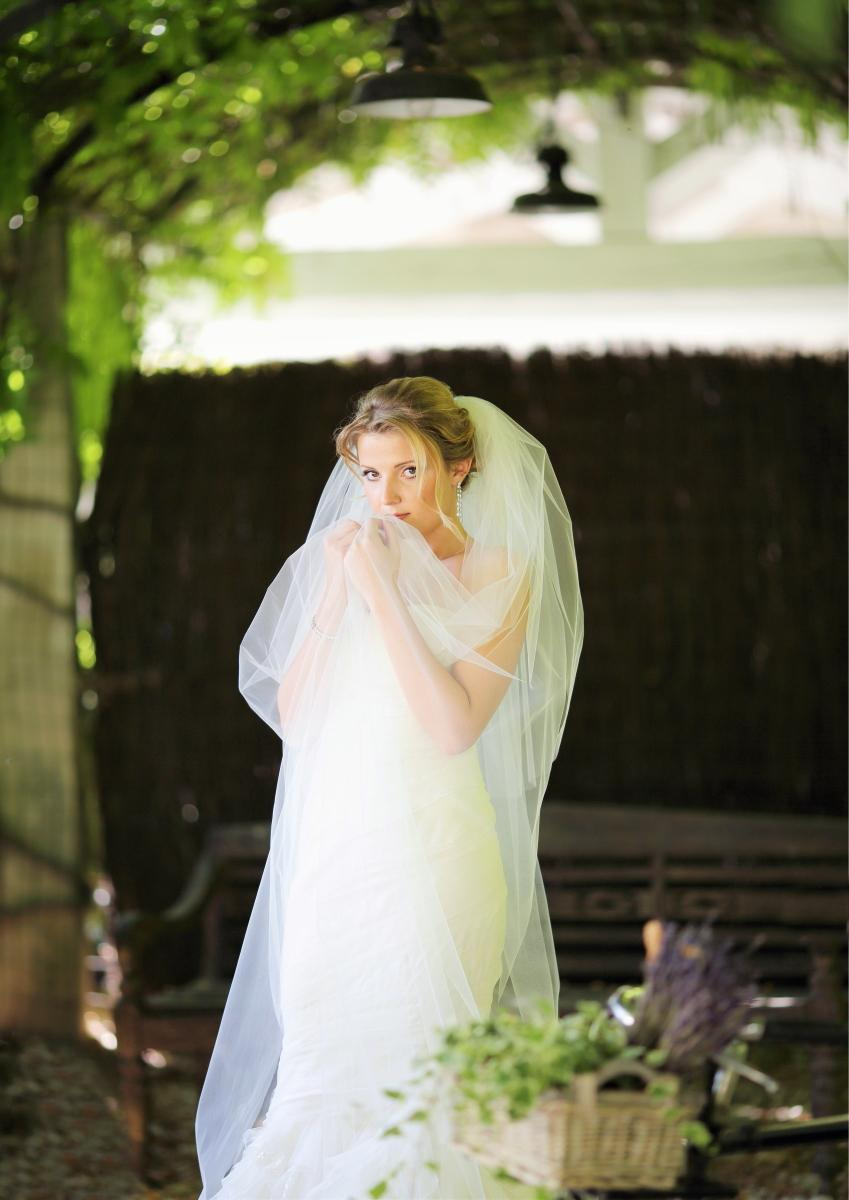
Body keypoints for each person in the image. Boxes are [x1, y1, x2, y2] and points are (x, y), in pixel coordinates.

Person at [195, 376, 584, 1200]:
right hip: (339, 861)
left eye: (407, 470)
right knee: (320, 1073)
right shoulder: (345, 557)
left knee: (423, 1081)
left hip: (438, 860)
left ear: (461, 466)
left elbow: (452, 726)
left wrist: (383, 592)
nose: (387, 494)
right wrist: (340, 588)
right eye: (371, 475)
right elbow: (294, 714)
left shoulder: (499, 574)